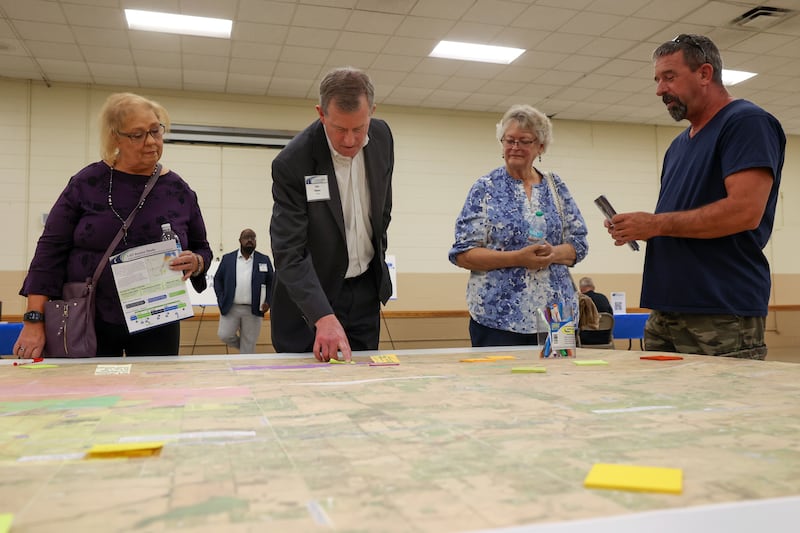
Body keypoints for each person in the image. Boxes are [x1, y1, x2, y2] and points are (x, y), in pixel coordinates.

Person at [607, 34, 785, 359]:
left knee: (726, 408)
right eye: (658, 79)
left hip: (721, 309)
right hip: (666, 308)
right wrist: (642, 228)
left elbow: (744, 211)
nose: (660, 89)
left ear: (705, 74)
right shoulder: (678, 146)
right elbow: (680, 225)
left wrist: (656, 224)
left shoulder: (746, 122)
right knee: (665, 409)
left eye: (669, 77)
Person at [14, 92, 212, 358]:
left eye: (156, 130)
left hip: (158, 319)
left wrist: (196, 262)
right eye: (138, 134)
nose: (151, 141)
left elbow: (202, 248)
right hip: (90, 320)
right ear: (115, 137)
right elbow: (49, 252)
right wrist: (33, 320)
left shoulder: (178, 190)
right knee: (89, 396)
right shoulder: (87, 183)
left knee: (155, 396)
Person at [269, 67, 393, 362]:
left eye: (359, 128)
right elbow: (289, 251)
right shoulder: (292, 162)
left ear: (372, 112)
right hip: (310, 298)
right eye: (339, 129)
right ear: (321, 113)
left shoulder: (383, 137)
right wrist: (322, 315)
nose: (350, 140)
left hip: (364, 291)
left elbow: (382, 211)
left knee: (362, 387)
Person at [449, 104, 588, 347]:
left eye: (524, 141)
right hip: (497, 318)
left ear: (541, 146)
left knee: (559, 383)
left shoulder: (556, 187)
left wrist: (553, 253)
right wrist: (518, 258)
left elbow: (579, 245)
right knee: (500, 384)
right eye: (509, 140)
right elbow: (463, 253)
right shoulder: (485, 188)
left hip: (556, 316)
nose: (515, 147)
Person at [213, 228, 274, 353]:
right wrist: (221, 298)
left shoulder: (264, 260)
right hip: (231, 307)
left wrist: (269, 301)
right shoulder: (227, 259)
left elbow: (272, 283)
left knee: (249, 343)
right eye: (247, 238)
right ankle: (246, 349)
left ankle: (246, 366)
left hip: (254, 309)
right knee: (224, 335)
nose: (250, 240)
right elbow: (217, 280)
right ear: (240, 240)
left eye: (253, 238)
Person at [578, 276, 614, 346]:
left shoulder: (580, 300)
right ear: (593, 287)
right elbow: (611, 315)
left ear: (581, 289)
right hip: (604, 338)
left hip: (585, 339)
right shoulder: (603, 298)